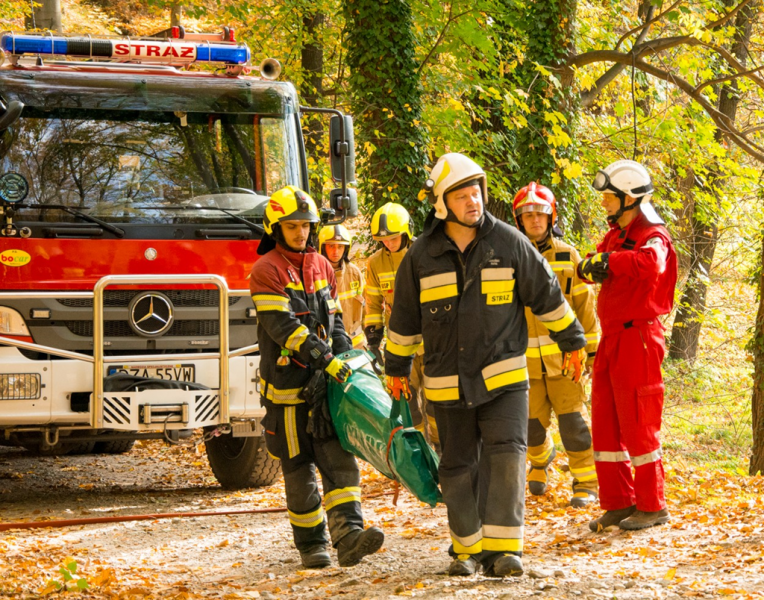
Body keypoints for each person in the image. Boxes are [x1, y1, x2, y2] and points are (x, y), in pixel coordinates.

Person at [384, 154, 587, 577]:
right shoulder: (421, 256)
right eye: (461, 195)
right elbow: (403, 319)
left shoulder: (509, 243)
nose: (473, 201)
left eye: (476, 191)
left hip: (506, 377)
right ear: (442, 203)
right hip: (446, 382)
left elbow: (548, 296)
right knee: (457, 464)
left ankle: (504, 551)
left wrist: (573, 342)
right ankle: (466, 550)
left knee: (507, 457)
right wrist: (396, 369)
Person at [249, 186, 384, 568]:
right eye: (292, 226)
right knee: (299, 468)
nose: (301, 233)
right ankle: (312, 547)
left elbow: (335, 319)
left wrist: (349, 358)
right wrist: (327, 359)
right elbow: (284, 328)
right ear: (275, 228)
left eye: (306, 226)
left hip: (326, 384)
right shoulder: (266, 270)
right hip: (287, 391)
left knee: (339, 458)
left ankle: (350, 537)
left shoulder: (322, 266)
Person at [580, 160, 677, 532]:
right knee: (606, 422)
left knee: (639, 423)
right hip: (611, 338)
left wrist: (609, 262)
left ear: (629, 197)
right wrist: (594, 264)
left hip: (638, 338)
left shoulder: (654, 234)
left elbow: (651, 264)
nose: (604, 203)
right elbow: (587, 264)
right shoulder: (616, 234)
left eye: (609, 197)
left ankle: (652, 505)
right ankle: (620, 502)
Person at [513, 182, 601, 508]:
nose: (535, 220)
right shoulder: (510, 258)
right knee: (530, 428)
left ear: (552, 217)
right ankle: (540, 460)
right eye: (528, 214)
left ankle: (586, 482)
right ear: (518, 219)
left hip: (567, 361)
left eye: (541, 214)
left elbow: (584, 306)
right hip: (525, 363)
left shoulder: (568, 256)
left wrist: (591, 352)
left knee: (574, 425)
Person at [365, 203, 439, 450]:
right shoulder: (375, 263)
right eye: (383, 240)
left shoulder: (425, 253)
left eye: (394, 238)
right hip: (399, 347)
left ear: (406, 232)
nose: (389, 243)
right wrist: (374, 341)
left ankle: (442, 450)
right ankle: (419, 452)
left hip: (430, 343)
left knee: (436, 404)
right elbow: (373, 303)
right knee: (408, 405)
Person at [318, 224, 366, 349]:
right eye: (331, 246)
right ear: (323, 247)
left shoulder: (355, 273)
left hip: (356, 342)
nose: (336, 251)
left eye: (340, 246)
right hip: (329, 344)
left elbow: (366, 307)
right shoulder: (316, 274)